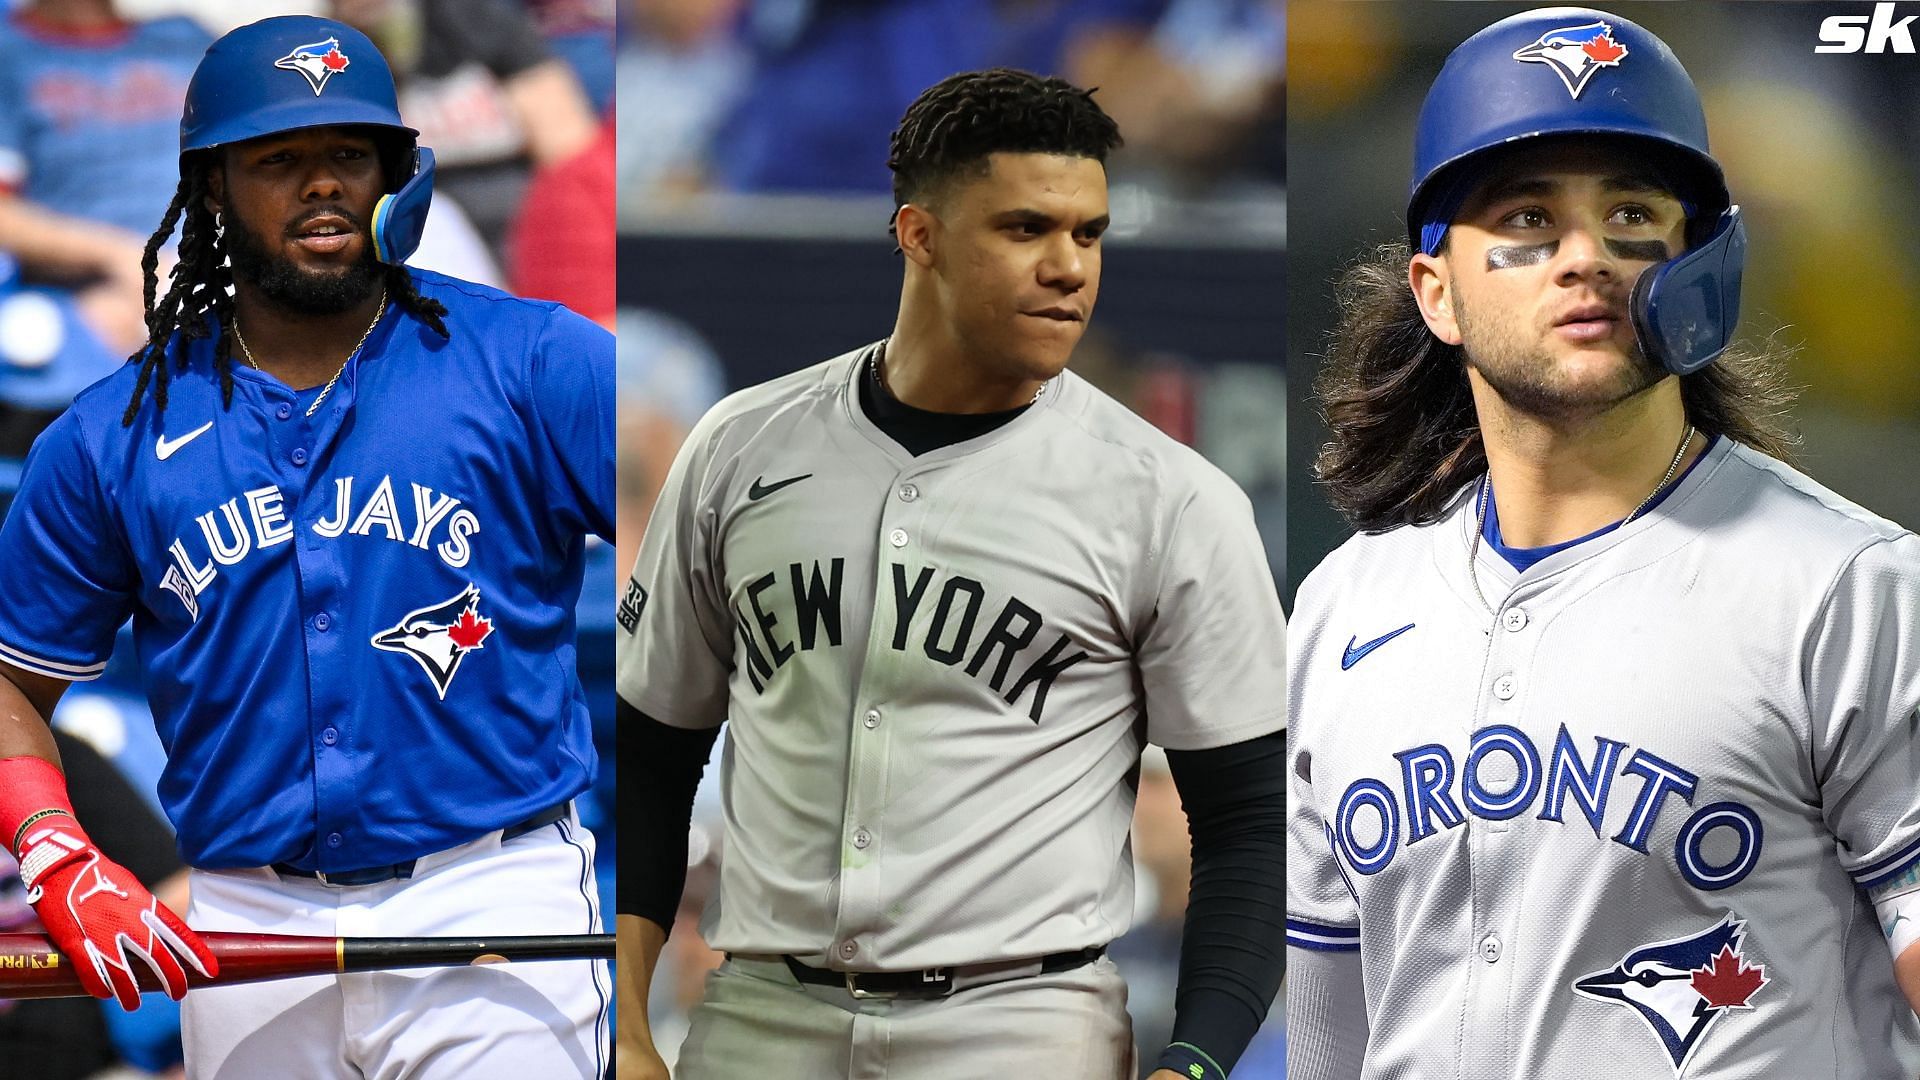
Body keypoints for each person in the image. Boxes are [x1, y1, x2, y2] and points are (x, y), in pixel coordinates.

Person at [616, 67, 1287, 1080]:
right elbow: (652, 761)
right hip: (760, 1015)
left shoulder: (1173, 500)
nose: (1070, 267)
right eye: (1026, 229)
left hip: (1020, 1026)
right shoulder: (737, 448)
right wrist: (627, 1021)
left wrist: (1195, 1059)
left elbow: (1251, 822)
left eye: (1090, 233)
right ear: (919, 235)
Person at [1285, 8, 1920, 1078]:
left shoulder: (1850, 590)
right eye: (1528, 220)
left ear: (1698, 271)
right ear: (1435, 291)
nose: (1587, 258)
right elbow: (1328, 1034)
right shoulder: (1345, 605)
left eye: (1634, 216)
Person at [0, 16, 614, 1077]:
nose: (320, 184)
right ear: (213, 189)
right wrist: (58, 855)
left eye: (347, 155)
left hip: (489, 890)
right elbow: (12, 684)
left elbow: (708, 559)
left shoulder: (536, 361)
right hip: (247, 911)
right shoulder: (110, 435)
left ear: (396, 174)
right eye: (279, 160)